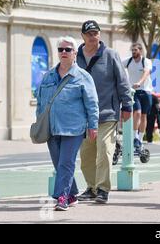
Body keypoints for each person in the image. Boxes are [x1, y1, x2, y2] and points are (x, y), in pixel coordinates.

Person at [36, 36, 99, 211]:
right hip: (51, 127)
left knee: (66, 162)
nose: (64, 52)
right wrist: (39, 121)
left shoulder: (83, 76)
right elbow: (41, 101)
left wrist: (93, 125)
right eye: (61, 49)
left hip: (74, 128)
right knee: (59, 163)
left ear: (74, 53)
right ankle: (72, 194)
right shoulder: (48, 76)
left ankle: (62, 198)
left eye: (68, 49)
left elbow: (92, 103)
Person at [76, 20, 133, 204]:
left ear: (99, 35)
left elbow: (122, 81)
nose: (93, 37)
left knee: (104, 151)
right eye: (89, 34)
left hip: (107, 113)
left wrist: (127, 105)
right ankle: (91, 187)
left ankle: (102, 189)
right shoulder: (75, 57)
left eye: (95, 33)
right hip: (83, 116)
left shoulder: (110, 55)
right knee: (86, 156)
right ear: (83, 36)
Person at [123, 43, 153, 152]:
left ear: (140, 50)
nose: (133, 52)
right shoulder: (128, 61)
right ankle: (135, 137)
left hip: (146, 91)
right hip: (134, 92)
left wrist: (139, 82)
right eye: (132, 50)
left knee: (144, 116)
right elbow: (118, 66)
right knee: (137, 113)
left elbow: (146, 73)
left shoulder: (146, 61)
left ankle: (140, 140)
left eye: (135, 50)